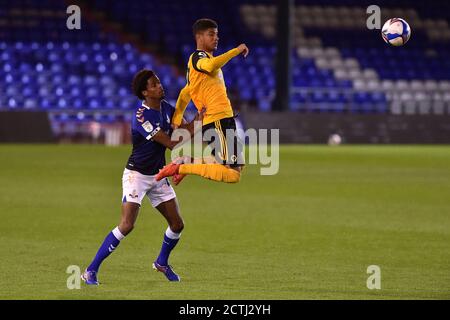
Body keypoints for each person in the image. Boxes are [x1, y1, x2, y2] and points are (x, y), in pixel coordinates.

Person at [81, 69, 203, 284]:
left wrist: (198, 120)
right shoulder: (141, 116)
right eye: (155, 84)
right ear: (145, 92)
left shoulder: (167, 108)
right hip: (136, 174)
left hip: (158, 175)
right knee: (127, 225)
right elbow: (171, 142)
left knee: (177, 224)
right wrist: (198, 123)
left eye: (159, 82)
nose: (160, 86)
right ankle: (90, 270)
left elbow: (183, 128)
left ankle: (161, 263)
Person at [156, 18, 249, 184]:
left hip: (223, 118)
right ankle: (180, 167)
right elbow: (210, 66)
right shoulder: (198, 57)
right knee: (233, 174)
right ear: (199, 37)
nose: (216, 38)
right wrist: (236, 50)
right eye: (211, 34)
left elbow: (186, 93)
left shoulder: (197, 67)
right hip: (217, 119)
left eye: (217, 34)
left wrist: (177, 118)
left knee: (238, 166)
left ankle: (186, 161)